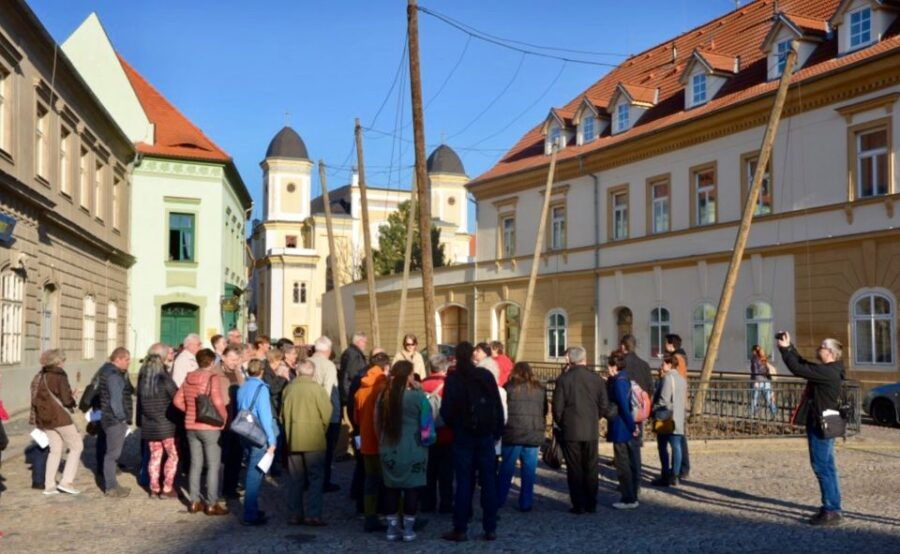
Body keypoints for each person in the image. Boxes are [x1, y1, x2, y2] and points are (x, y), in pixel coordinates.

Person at [777, 332, 845, 526]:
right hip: (825, 423)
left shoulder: (828, 372)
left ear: (830, 352)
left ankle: (831, 510)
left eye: (822, 347)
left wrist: (784, 350)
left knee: (822, 467)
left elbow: (798, 368)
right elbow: (804, 364)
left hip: (820, 425)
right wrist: (789, 347)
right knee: (828, 467)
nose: (819, 348)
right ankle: (832, 506)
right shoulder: (830, 369)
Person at [440, 342, 504, 542]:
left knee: (464, 483)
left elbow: (446, 411)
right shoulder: (485, 376)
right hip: (485, 435)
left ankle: (460, 528)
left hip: (463, 436)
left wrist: (456, 426)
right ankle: (490, 527)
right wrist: (497, 431)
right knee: (488, 482)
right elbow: (496, 405)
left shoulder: (454, 379)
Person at [377, 360, 436, 542]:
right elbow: (427, 428)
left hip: (389, 447)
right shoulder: (419, 397)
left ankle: (392, 529)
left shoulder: (383, 397)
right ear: (410, 376)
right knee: (412, 489)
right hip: (414, 447)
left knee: (390, 489)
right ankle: (409, 530)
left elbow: (377, 423)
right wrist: (429, 441)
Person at [552, 346, 610, 514]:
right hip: (590, 428)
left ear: (570, 359)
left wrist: (563, 422)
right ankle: (591, 502)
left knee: (574, 468)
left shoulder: (564, 379)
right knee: (591, 467)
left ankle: (578, 504)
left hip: (571, 428)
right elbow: (604, 405)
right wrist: (594, 417)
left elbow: (557, 408)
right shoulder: (596, 379)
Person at [173, 348, 228, 515]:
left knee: (195, 464)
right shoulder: (212, 377)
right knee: (213, 465)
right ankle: (212, 503)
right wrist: (224, 418)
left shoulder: (189, 377)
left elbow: (177, 400)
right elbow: (218, 401)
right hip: (209, 426)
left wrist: (190, 410)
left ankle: (194, 502)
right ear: (211, 362)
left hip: (191, 426)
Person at [281, 359, 332, 526]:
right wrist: (321, 431)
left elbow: (283, 415)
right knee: (316, 478)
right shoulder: (318, 389)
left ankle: (295, 515)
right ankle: (313, 515)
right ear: (313, 373)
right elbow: (327, 414)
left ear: (297, 372)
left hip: (294, 438)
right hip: (314, 439)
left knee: (295, 479)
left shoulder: (289, 389)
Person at [30, 349, 83, 496]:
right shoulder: (59, 375)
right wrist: (73, 398)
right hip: (61, 418)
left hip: (46, 419)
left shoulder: (41, 375)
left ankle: (49, 485)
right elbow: (66, 400)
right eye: (63, 360)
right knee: (77, 446)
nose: (64, 363)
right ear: (58, 361)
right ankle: (66, 482)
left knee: (55, 451)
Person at [497, 361, 546, 512]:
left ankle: (499, 499)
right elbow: (544, 410)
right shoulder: (540, 389)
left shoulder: (509, 387)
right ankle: (526, 502)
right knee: (529, 470)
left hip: (513, 432)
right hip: (533, 432)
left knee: (506, 468)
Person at [235, 359, 278, 526]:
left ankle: (251, 508)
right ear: (262, 371)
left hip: (243, 431)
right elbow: (266, 417)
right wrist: (272, 440)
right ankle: (250, 513)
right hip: (257, 433)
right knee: (255, 473)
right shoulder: (262, 389)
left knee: (252, 470)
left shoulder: (243, 387)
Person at [352, 352, 391, 532]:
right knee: (390, 480)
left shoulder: (361, 389)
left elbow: (356, 418)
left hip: (366, 441)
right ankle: (395, 516)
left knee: (370, 480)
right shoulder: (384, 387)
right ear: (386, 367)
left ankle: (370, 516)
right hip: (383, 441)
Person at [136, 354, 179, 499]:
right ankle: (167, 487)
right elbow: (176, 397)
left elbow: (140, 406)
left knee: (155, 457)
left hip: (150, 426)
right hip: (166, 425)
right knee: (173, 456)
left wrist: (139, 423)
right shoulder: (165, 380)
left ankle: (154, 488)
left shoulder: (143, 383)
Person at [606, 352, 641, 509]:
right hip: (626, 426)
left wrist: (632, 426)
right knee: (629, 462)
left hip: (622, 427)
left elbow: (623, 407)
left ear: (614, 367)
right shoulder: (625, 378)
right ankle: (632, 495)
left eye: (609, 366)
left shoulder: (619, 382)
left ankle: (628, 498)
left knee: (623, 464)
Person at [98, 347, 133, 497]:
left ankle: (112, 485)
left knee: (111, 454)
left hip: (107, 417)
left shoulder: (106, 371)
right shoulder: (114, 376)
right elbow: (115, 400)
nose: (128, 363)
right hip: (114, 419)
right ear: (117, 359)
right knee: (112, 455)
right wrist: (121, 417)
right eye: (126, 360)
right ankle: (111, 487)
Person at [421, 354, 454, 514]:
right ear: (444, 367)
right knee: (446, 473)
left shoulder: (421, 384)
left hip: (426, 433)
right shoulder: (448, 385)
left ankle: (428, 503)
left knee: (429, 471)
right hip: (445, 433)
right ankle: (446, 504)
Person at [310, 336, 341, 492]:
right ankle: (324, 481)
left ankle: (309, 480)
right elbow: (327, 391)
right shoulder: (328, 365)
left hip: (309, 411)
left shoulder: (308, 362)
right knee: (327, 449)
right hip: (326, 412)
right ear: (328, 350)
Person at [651, 355, 686, 488]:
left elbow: (664, 400)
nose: (662, 366)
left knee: (663, 446)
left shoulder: (667, 378)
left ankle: (665, 474)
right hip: (678, 417)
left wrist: (654, 408)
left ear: (669, 364)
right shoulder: (682, 379)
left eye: (663, 364)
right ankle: (675, 475)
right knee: (677, 447)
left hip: (666, 418)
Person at [217, 344, 246, 499]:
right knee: (222, 457)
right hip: (222, 421)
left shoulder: (238, 373)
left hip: (237, 420)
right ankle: (220, 489)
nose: (235, 362)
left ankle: (231, 488)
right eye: (232, 359)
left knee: (236, 456)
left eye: (237, 359)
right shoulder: (215, 373)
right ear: (223, 357)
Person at [663, 333, 690, 479]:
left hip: (677, 402)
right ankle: (680, 468)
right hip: (679, 401)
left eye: (666, 343)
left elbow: (677, 380)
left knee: (678, 438)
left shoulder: (678, 359)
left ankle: (680, 469)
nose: (664, 346)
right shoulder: (681, 356)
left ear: (671, 344)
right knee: (678, 437)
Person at [620, 334, 653, 400]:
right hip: (643, 404)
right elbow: (650, 388)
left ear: (623, 346)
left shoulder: (622, 364)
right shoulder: (645, 364)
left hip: (629, 403)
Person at [340, 332, 369, 404]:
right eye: (364, 342)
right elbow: (354, 375)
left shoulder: (349, 352)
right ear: (359, 341)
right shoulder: (354, 355)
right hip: (352, 391)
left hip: (348, 390)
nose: (365, 344)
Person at [750, 344, 778, 417]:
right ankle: (774, 413)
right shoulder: (763, 358)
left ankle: (752, 415)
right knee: (769, 398)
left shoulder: (754, 358)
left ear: (754, 351)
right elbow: (766, 370)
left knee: (754, 398)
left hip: (758, 381)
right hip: (766, 381)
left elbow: (755, 370)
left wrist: (755, 381)